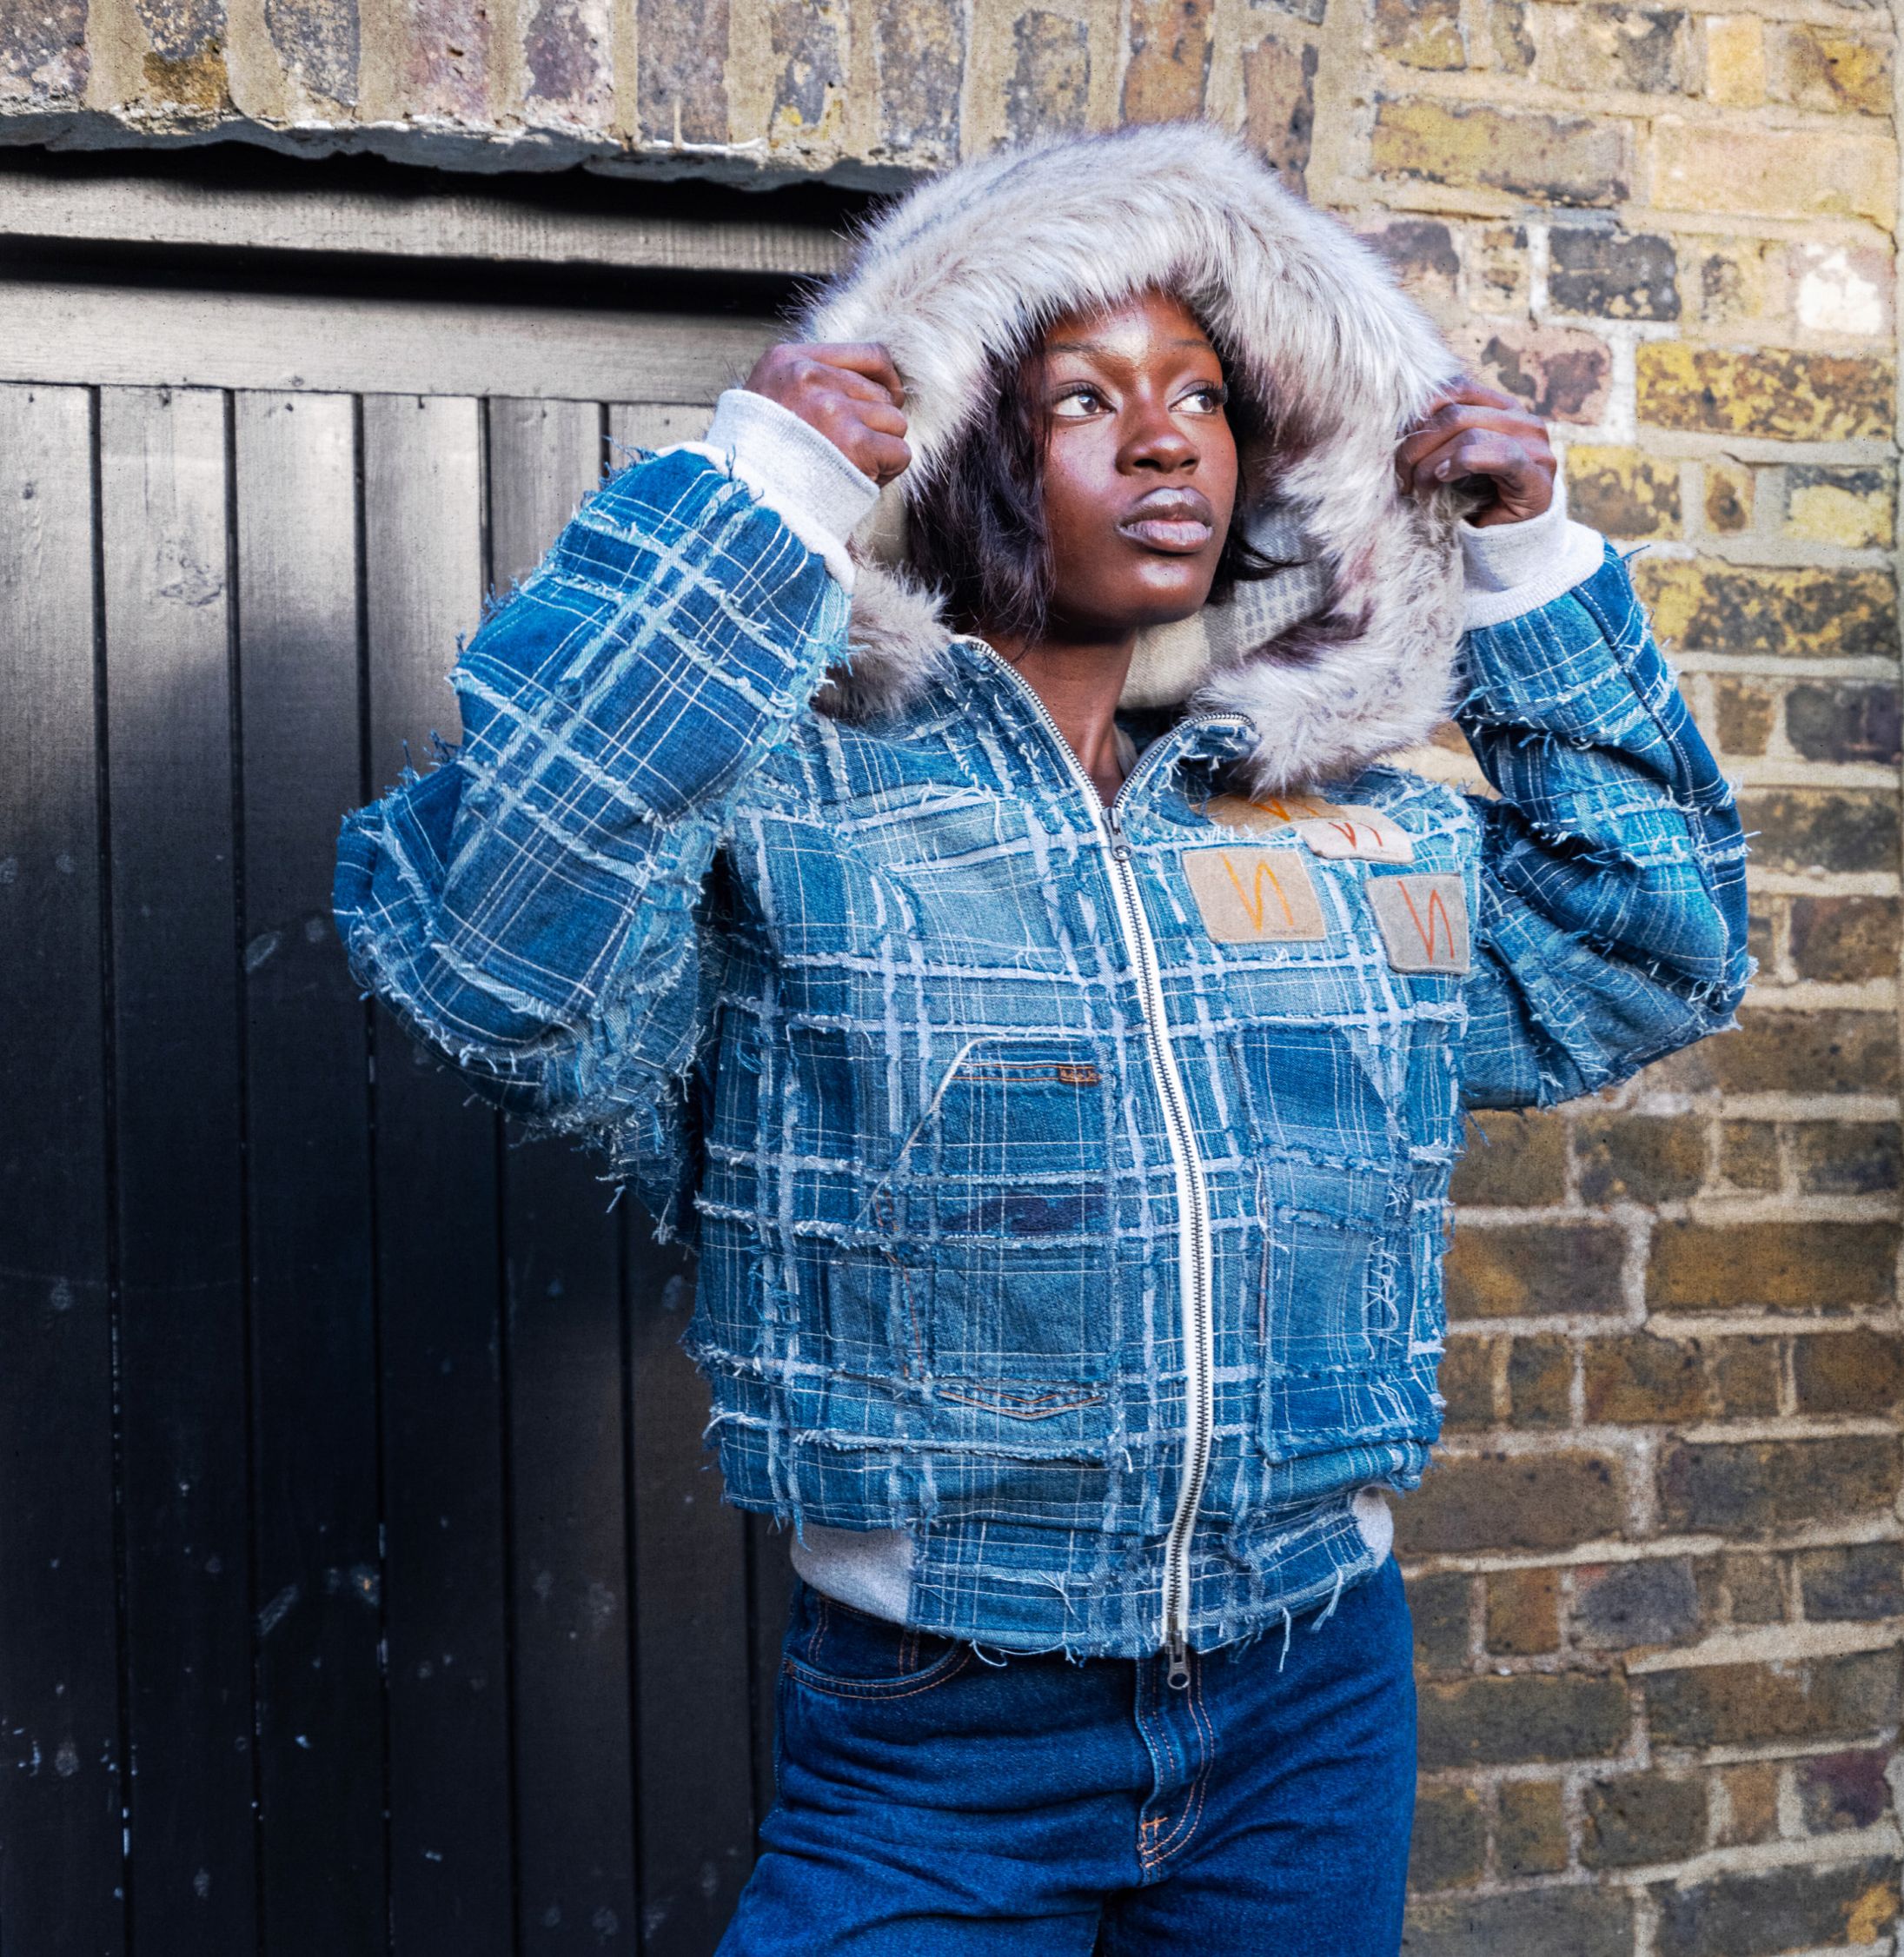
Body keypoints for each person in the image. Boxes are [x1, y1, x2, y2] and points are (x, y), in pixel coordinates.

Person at [335, 123, 1748, 1955]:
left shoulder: (1335, 826)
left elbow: (1654, 946)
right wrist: (756, 490)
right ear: (962, 440)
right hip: (941, 1741)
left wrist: (1531, 564)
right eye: (1087, 397)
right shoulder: (792, 816)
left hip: (1311, 1703)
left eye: (1205, 397)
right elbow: (483, 951)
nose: (1167, 436)